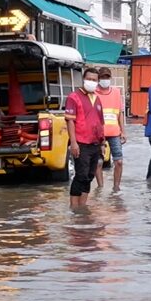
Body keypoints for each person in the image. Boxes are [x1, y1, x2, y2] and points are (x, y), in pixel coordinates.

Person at [64, 67, 105, 209]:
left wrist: (102, 144)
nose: (91, 82)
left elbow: (100, 123)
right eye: (89, 79)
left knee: (90, 175)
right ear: (83, 79)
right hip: (81, 142)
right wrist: (73, 143)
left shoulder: (97, 99)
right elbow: (70, 121)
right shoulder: (73, 97)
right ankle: (74, 207)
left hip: (95, 143)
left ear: (98, 82)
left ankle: (83, 206)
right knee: (80, 175)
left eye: (94, 80)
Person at [94, 67, 126, 191]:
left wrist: (123, 131)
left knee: (119, 161)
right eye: (102, 77)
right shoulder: (94, 93)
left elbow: (120, 113)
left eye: (107, 77)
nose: (105, 80)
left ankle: (116, 188)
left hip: (114, 132)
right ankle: (100, 188)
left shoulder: (116, 92)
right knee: (98, 163)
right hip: (98, 133)